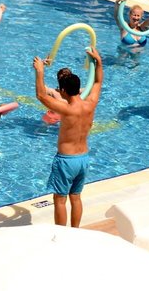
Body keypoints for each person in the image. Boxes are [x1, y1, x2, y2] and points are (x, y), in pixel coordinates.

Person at [33, 47, 103, 227]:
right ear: (79, 89)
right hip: (83, 158)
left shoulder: (66, 109)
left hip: (66, 161)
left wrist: (40, 71)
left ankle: (62, 235)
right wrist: (98, 61)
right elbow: (97, 81)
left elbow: (41, 95)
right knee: (76, 197)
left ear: (63, 90)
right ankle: (75, 231)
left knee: (60, 199)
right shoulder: (90, 104)